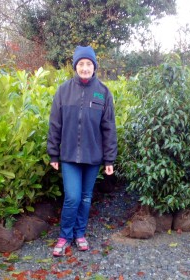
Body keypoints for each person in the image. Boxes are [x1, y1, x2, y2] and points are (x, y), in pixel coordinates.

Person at [47, 46, 117, 256]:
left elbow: (109, 128)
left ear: (94, 66)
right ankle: (64, 236)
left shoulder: (103, 92)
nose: (85, 68)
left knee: (86, 197)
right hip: (69, 156)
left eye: (89, 64)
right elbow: (55, 124)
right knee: (72, 197)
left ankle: (79, 234)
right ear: (75, 66)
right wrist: (53, 153)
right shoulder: (63, 91)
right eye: (81, 64)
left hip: (93, 157)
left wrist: (109, 159)